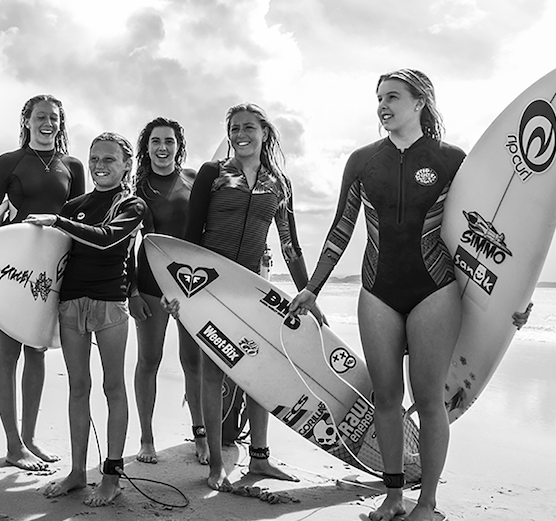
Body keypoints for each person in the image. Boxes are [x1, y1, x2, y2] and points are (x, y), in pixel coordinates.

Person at [287, 69, 529, 521]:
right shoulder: (362, 161)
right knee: (385, 397)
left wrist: (516, 300)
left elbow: (491, 237)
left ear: (419, 102)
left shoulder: (453, 160)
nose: (382, 105)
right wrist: (311, 288)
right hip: (378, 290)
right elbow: (341, 229)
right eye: (378, 97)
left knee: (429, 397)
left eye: (393, 96)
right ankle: (394, 495)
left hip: (434, 290)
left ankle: (428, 504)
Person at [164, 103, 314, 491]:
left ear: (265, 132)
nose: (240, 134)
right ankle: (217, 464)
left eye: (249, 127)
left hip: (253, 288)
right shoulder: (214, 174)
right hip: (210, 288)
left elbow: (290, 245)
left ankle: (259, 459)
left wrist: (308, 292)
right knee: (213, 372)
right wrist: (179, 289)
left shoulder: (277, 182)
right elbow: (190, 236)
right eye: (234, 128)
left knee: (259, 372)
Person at [30, 132, 146, 506]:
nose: (99, 165)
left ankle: (111, 474)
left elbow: (107, 239)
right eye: (94, 158)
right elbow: (53, 259)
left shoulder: (132, 204)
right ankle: (78, 472)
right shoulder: (76, 204)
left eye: (109, 159)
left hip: (110, 303)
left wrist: (59, 222)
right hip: (71, 303)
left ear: (126, 164)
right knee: (78, 387)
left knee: (114, 387)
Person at [0, 94, 85, 471]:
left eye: (53, 117)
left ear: (60, 122)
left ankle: (30, 437)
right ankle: (12, 444)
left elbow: (79, 218)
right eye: (40, 116)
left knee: (36, 349)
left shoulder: (72, 165)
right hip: (11, 268)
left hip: (49, 271)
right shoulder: (10, 161)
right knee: (8, 352)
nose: (47, 123)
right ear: (27, 120)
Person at [128, 117, 206, 465]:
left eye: (169, 141)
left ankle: (201, 435)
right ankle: (146, 438)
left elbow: (208, 232)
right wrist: (130, 290)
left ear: (178, 145)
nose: (163, 147)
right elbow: (129, 244)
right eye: (156, 141)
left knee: (194, 362)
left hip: (192, 286)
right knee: (149, 360)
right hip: (150, 285)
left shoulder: (194, 180)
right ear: (147, 147)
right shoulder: (137, 188)